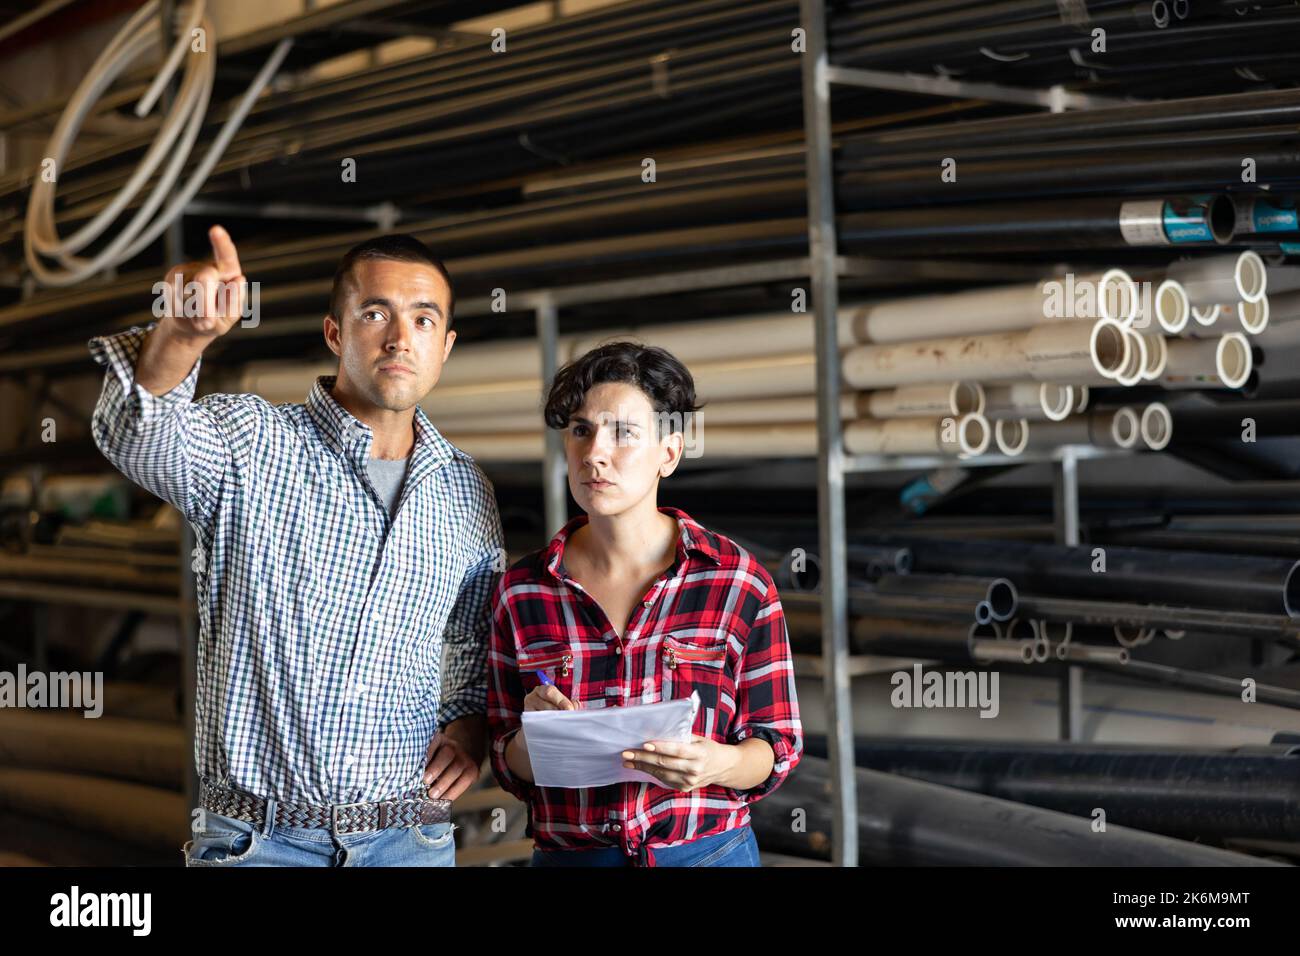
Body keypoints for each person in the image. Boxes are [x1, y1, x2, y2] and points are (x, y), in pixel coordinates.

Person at [88, 226, 502, 866]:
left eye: (423, 320)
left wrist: (469, 722)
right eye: (375, 313)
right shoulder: (254, 442)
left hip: (408, 842)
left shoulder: (464, 489)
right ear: (336, 332)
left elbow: (472, 634)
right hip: (262, 845)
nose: (399, 338)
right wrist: (182, 336)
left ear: (444, 346)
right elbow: (140, 439)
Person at [487, 341, 802, 867]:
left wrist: (716, 764)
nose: (594, 454)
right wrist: (534, 736)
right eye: (581, 431)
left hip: (706, 855)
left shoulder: (737, 583)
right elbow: (504, 758)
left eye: (624, 433)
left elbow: (777, 746)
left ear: (669, 454)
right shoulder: (521, 592)